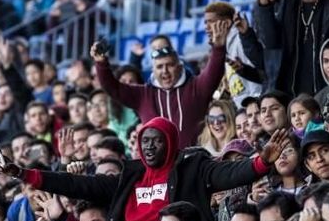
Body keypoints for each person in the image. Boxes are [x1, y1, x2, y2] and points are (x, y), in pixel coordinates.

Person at [0, 117, 289, 221]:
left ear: (171, 143)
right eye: (144, 141)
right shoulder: (129, 176)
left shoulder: (192, 169)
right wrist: (23, 174)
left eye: (156, 141)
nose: (149, 147)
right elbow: (77, 184)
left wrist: (262, 162)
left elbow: (230, 174)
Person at [91, 17, 229, 144]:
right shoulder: (143, 95)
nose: (165, 71)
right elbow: (112, 88)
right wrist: (101, 63)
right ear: (153, 70)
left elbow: (214, 73)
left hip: (194, 162)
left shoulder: (196, 88)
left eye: (169, 65)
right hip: (158, 167)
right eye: (159, 67)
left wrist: (218, 48)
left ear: (180, 67)